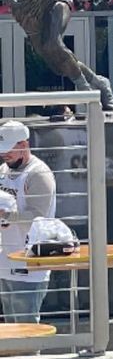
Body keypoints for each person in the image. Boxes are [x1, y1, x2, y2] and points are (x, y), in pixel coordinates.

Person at [0, 119, 57, 323]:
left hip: (29, 265)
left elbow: (38, 218)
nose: (4, 155)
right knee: (11, 328)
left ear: (24, 145)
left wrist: (6, 215)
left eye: (8, 150)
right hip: (6, 261)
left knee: (26, 326)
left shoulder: (38, 174)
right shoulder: (4, 170)